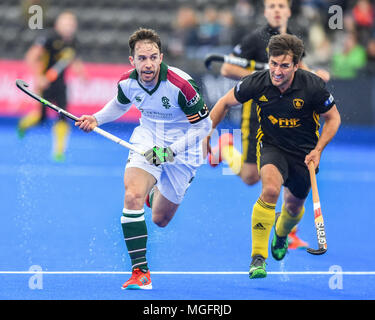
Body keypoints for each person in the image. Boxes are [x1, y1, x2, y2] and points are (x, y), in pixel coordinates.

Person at [75, 28, 211, 290]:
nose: (147, 64)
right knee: (132, 196)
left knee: (160, 218)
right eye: (141, 58)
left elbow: (203, 128)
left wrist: (170, 153)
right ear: (132, 61)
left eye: (152, 57)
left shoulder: (181, 85)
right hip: (148, 137)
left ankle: (154, 193)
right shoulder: (127, 81)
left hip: (183, 147)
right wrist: (96, 118)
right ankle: (141, 272)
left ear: (161, 58)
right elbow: (120, 104)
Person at [205, 34, 340, 279]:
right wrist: (206, 134)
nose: (277, 71)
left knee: (293, 206)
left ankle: (281, 232)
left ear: (297, 65)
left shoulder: (312, 86)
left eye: (284, 66)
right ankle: (258, 258)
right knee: (269, 191)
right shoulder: (257, 82)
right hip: (271, 146)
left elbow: (333, 118)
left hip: (304, 153)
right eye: (273, 64)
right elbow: (224, 103)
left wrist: (318, 149)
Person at [209, 0, 330, 250]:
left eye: (281, 6)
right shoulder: (256, 38)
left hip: (289, 113)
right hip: (258, 112)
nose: (276, 10)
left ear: (288, 11)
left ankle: (287, 229)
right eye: (271, 6)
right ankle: (226, 149)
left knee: (291, 179)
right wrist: (266, 77)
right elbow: (227, 68)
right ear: (265, 11)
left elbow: (300, 70)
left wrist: (313, 74)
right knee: (251, 177)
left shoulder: (294, 39)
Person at [17, 11, 86, 162]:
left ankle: (59, 151)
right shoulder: (48, 37)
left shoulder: (73, 41)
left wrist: (82, 74)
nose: (69, 27)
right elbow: (31, 56)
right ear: (58, 25)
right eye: (66, 24)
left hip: (61, 85)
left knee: (63, 116)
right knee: (41, 118)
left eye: (72, 24)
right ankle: (23, 124)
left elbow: (74, 60)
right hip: (45, 84)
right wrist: (38, 77)